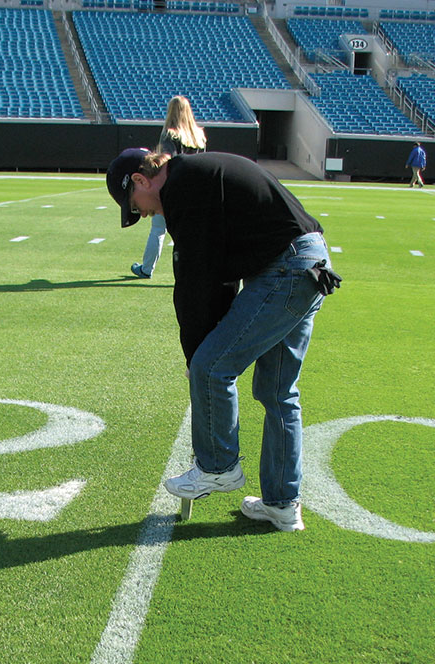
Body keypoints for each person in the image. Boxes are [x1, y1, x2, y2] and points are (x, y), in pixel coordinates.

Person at [107, 148, 341, 531]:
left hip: (286, 269)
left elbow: (199, 282)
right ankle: (282, 504)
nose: (145, 213)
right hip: (307, 262)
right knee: (278, 392)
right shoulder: (193, 174)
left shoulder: (183, 188)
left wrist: (196, 358)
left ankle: (219, 467)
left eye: (136, 205)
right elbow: (219, 275)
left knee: (212, 367)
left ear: (140, 180)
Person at [130, 96, 206, 280]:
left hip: (172, 189)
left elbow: (165, 162)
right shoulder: (198, 136)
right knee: (191, 234)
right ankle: (194, 272)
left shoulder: (169, 135)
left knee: (158, 229)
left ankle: (147, 268)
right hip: (195, 189)